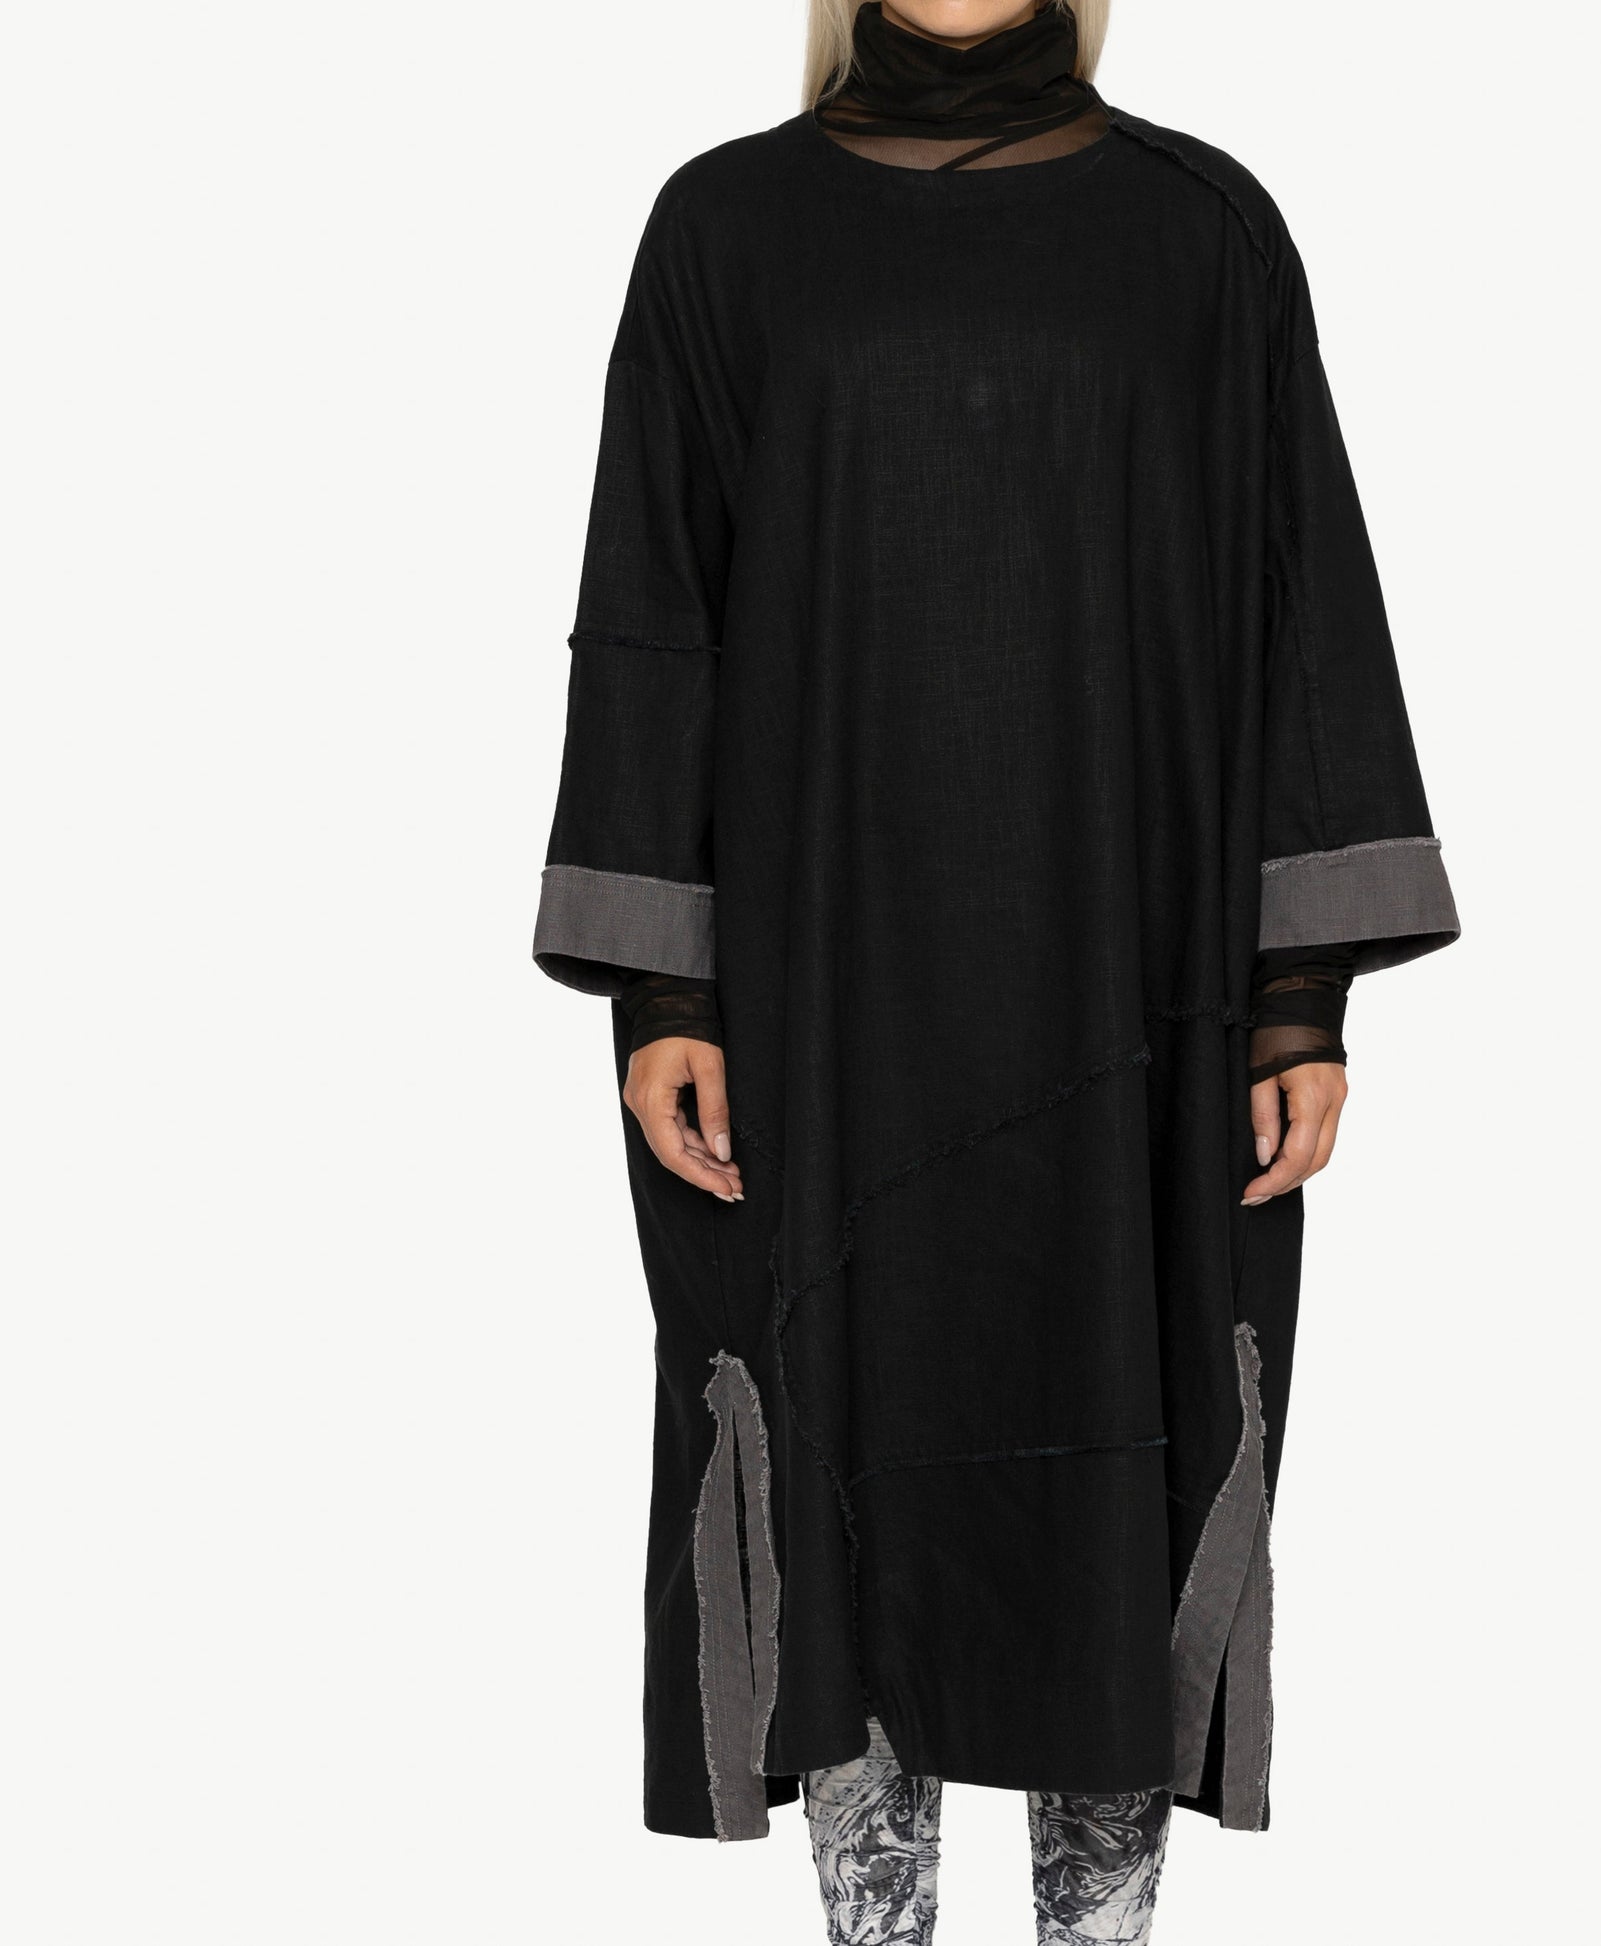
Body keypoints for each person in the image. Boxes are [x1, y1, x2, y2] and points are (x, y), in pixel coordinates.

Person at [532, 3, 1458, 1938]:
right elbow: (652, 612)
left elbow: (1302, 604)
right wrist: (667, 993)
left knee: (1123, 1416)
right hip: (816, 989)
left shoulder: (1199, 230)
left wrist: (1300, 995)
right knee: (834, 1413)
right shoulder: (726, 227)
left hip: (1136, 983)